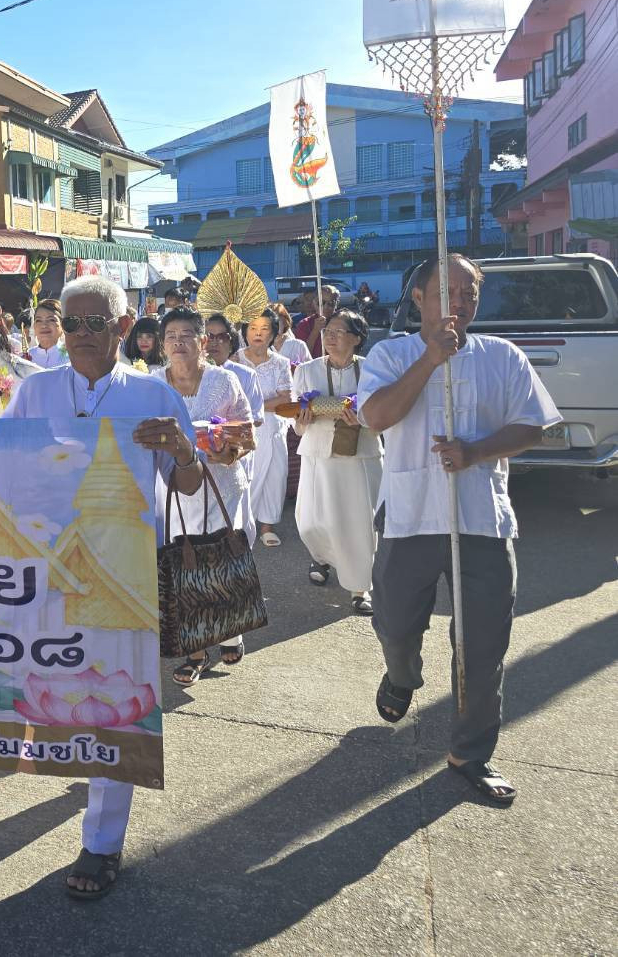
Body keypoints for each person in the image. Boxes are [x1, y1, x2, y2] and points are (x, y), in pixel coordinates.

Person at [0, 274, 203, 901]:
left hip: (125, 578)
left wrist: (182, 450)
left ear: (123, 328)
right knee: (51, 689)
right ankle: (85, 776)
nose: (78, 335)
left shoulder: (152, 394)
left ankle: (102, 842)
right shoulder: (36, 390)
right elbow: (6, 467)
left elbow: (189, 483)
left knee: (115, 701)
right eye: (70, 323)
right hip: (50, 570)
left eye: (94, 323)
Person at [359, 254, 560, 806]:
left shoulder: (502, 356)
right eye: (448, 291)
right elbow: (375, 417)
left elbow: (533, 426)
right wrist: (430, 359)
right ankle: (402, 675)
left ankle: (470, 753)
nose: (462, 301)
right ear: (418, 297)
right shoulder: (390, 354)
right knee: (395, 625)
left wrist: (474, 452)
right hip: (409, 515)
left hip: (482, 520)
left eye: (470, 292)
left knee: (482, 644)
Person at [155, 306, 256, 686]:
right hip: (174, 489)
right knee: (184, 565)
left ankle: (231, 630)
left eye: (186, 335)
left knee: (221, 558)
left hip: (221, 485)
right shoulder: (152, 384)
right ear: (163, 344)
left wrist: (227, 451)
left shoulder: (224, 381)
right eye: (171, 336)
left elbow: (247, 434)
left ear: (202, 341)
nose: (178, 342)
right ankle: (195, 651)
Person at [293, 308, 381, 615]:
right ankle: (322, 557)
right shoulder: (306, 370)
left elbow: (385, 415)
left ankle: (360, 586)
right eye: (327, 332)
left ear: (356, 338)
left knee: (359, 521)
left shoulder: (373, 370)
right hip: (318, 452)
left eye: (338, 332)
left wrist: (363, 419)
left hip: (361, 453)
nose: (329, 337)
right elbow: (297, 423)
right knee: (311, 520)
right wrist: (302, 418)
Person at [238, 310, 295, 546]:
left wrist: (252, 406)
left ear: (273, 334)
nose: (258, 334)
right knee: (246, 477)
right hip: (244, 429)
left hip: (273, 427)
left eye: (264, 329)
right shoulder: (234, 361)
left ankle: (267, 526)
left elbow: (285, 399)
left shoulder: (280, 363)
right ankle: (242, 526)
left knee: (275, 475)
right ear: (245, 332)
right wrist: (260, 407)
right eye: (253, 328)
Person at [293, 284, 340, 360]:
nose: (326, 307)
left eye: (331, 303)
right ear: (314, 303)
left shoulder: (342, 323)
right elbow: (302, 356)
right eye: (321, 303)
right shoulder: (304, 325)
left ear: (336, 304)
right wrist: (315, 331)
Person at [28, 298, 68, 369]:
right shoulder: (25, 357)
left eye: (51, 320)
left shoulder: (72, 356)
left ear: (62, 324)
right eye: (39, 320)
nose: (44, 325)